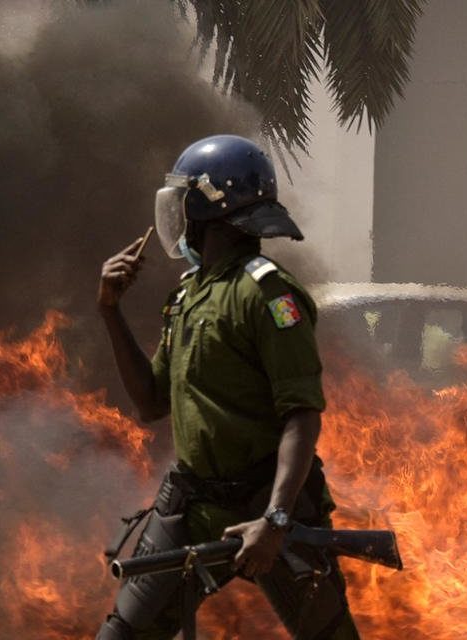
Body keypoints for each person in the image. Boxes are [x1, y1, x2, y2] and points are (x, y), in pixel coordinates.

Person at [94, 135, 359, 640]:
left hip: (269, 505)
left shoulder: (267, 294)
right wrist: (110, 310)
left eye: (184, 200)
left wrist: (276, 521)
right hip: (194, 505)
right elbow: (151, 402)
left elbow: (301, 416)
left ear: (207, 207)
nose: (177, 216)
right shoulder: (191, 294)